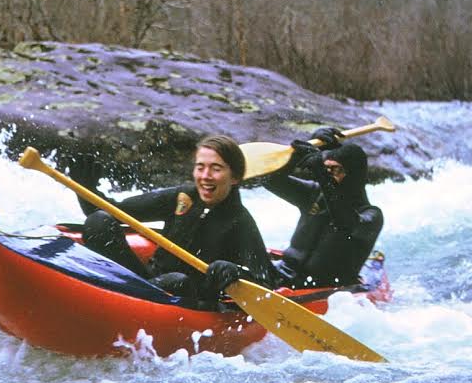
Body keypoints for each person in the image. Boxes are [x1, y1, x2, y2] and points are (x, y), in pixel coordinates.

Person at [68, 135, 274, 308]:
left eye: (216, 169)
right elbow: (113, 211)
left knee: (177, 281)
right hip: (148, 281)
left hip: (191, 299)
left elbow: (265, 285)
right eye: (200, 167)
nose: (205, 176)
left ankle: (131, 295)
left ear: (235, 177)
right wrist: (83, 189)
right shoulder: (182, 196)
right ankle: (127, 292)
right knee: (98, 221)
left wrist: (233, 272)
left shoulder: (240, 221)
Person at [263, 127, 384, 289]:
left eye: (335, 170)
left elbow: (345, 222)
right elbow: (269, 180)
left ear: (355, 175)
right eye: (326, 169)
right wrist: (299, 155)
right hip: (284, 274)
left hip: (325, 288)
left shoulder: (372, 216)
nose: (328, 175)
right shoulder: (313, 193)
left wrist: (321, 173)